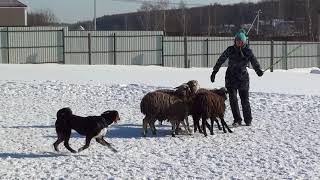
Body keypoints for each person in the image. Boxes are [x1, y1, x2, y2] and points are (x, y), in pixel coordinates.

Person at [210, 30, 263, 127]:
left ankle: (248, 119)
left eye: (240, 41)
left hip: (243, 79)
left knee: (245, 100)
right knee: (233, 100)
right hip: (231, 78)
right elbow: (221, 59)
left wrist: (258, 70)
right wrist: (215, 71)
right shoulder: (230, 50)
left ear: (244, 42)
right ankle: (237, 119)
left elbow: (254, 61)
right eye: (237, 40)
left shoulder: (247, 51)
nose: (238, 42)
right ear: (235, 41)